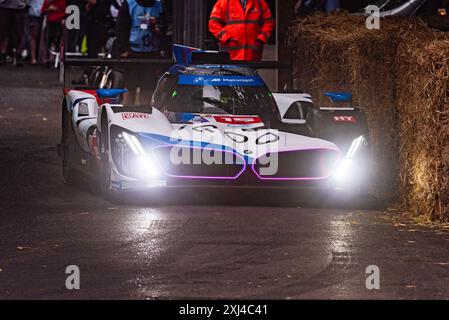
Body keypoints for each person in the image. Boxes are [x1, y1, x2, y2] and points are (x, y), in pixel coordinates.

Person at [115, 0, 167, 104]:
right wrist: (124, 49)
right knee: (130, 88)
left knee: (147, 89)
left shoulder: (159, 6)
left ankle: (145, 115)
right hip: (132, 53)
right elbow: (120, 28)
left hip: (152, 54)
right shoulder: (129, 4)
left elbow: (165, 28)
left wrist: (158, 25)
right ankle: (127, 114)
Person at [208, 0, 275, 62]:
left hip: (253, 56)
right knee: (230, 73)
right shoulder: (224, 2)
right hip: (230, 55)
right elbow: (213, 23)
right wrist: (227, 39)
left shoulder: (259, 2)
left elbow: (269, 22)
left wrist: (260, 39)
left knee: (251, 74)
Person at [0, 0, 27, 66]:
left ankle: (18, 55)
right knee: (3, 32)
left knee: (19, 32)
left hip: (19, 7)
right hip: (4, 6)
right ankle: (2, 55)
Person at [41, 0, 66, 66]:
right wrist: (49, 9)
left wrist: (62, 18)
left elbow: (64, 12)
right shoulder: (47, 1)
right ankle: (46, 59)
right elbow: (42, 11)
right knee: (47, 40)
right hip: (49, 23)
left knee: (57, 41)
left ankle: (55, 59)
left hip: (58, 23)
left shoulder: (62, 2)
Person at [27, 0, 44, 64]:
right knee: (34, 35)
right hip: (34, 12)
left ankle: (42, 57)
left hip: (46, 12)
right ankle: (33, 57)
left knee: (44, 36)